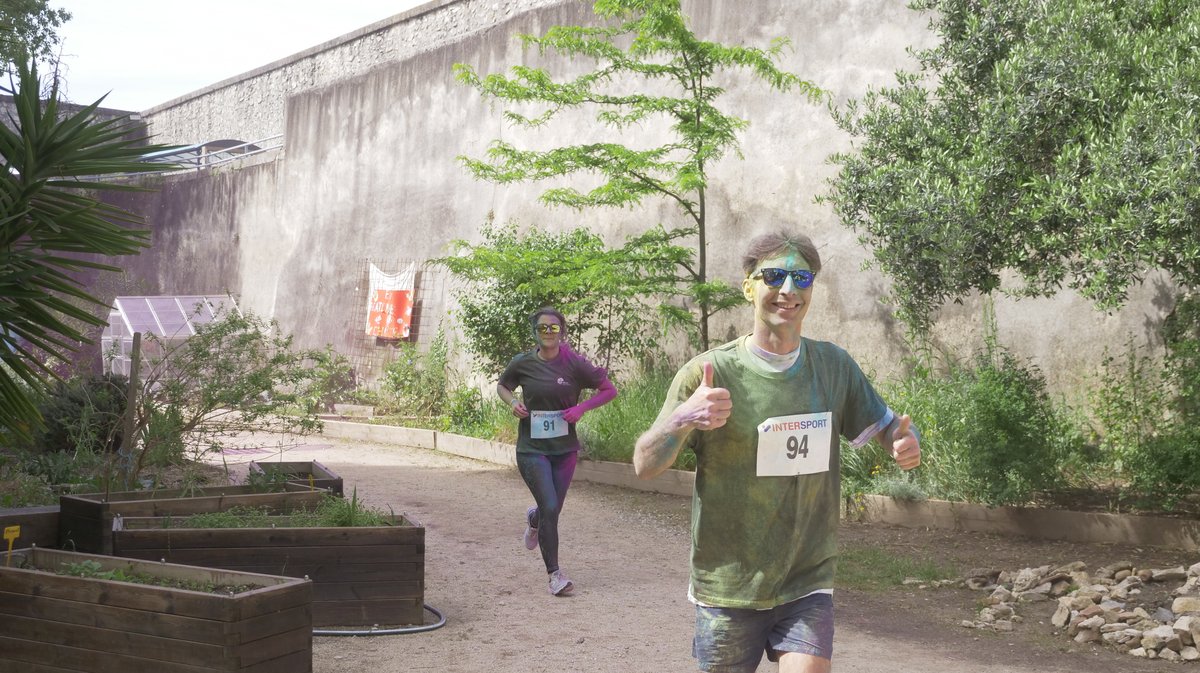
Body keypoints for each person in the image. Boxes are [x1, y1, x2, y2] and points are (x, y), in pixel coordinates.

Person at [633, 230, 921, 673]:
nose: (788, 290)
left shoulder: (834, 367)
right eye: (775, 276)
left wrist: (901, 440)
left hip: (806, 577)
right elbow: (644, 465)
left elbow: (886, 426)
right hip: (728, 585)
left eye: (802, 279)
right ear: (749, 286)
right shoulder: (709, 373)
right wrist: (682, 418)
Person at [496, 307, 618, 596]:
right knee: (551, 506)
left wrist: (580, 408)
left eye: (553, 327)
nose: (548, 332)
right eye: (542, 328)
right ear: (535, 333)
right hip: (532, 449)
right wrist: (512, 403)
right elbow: (503, 386)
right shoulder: (522, 363)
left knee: (552, 509)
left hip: (564, 450)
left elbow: (608, 390)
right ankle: (555, 576)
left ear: (562, 332)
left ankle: (535, 520)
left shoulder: (574, 364)